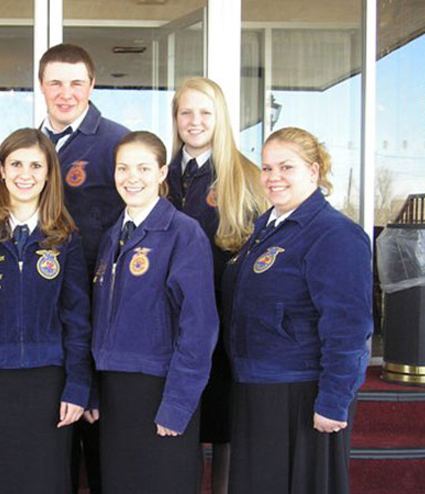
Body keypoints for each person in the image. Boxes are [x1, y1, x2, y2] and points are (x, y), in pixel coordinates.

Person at [222, 127, 373, 493]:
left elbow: (348, 330)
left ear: (314, 171)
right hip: (258, 388)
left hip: (302, 393)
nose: (274, 178)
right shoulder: (267, 227)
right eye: (267, 168)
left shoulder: (334, 234)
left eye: (286, 167)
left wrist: (334, 401)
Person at [0, 128, 91, 494]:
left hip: (50, 384)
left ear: (48, 174)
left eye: (35, 165)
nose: (24, 174)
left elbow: (77, 319)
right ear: (0, 170)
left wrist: (77, 385)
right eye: (15, 164)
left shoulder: (65, 238)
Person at [88, 131, 219, 494]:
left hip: (161, 389)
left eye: (144, 168)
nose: (132, 177)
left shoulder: (183, 233)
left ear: (162, 172)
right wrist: (96, 390)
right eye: (123, 168)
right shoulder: (114, 236)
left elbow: (199, 327)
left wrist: (178, 404)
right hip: (116, 392)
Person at [166, 77, 268, 494]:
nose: (194, 121)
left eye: (205, 112)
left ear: (221, 117)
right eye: (186, 112)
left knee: (225, 428)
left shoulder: (245, 176)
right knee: (178, 421)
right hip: (169, 324)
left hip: (224, 328)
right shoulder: (160, 175)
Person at [38, 43, 129, 493]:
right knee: (49, 443)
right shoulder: (27, 146)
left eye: (76, 82)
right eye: (55, 82)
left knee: (98, 442)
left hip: (97, 314)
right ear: (41, 86)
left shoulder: (116, 142)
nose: (65, 93)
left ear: (92, 85)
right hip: (39, 315)